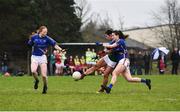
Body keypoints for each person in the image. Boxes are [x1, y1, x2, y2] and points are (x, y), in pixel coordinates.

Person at [28, 26, 63, 94]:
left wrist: (60, 49)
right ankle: (37, 80)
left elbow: (54, 45)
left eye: (46, 32)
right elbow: (29, 45)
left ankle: (45, 86)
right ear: (40, 31)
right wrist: (31, 43)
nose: (45, 33)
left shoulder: (47, 38)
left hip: (42, 57)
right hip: (34, 56)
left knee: (44, 75)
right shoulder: (34, 37)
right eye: (44, 32)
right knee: (33, 71)